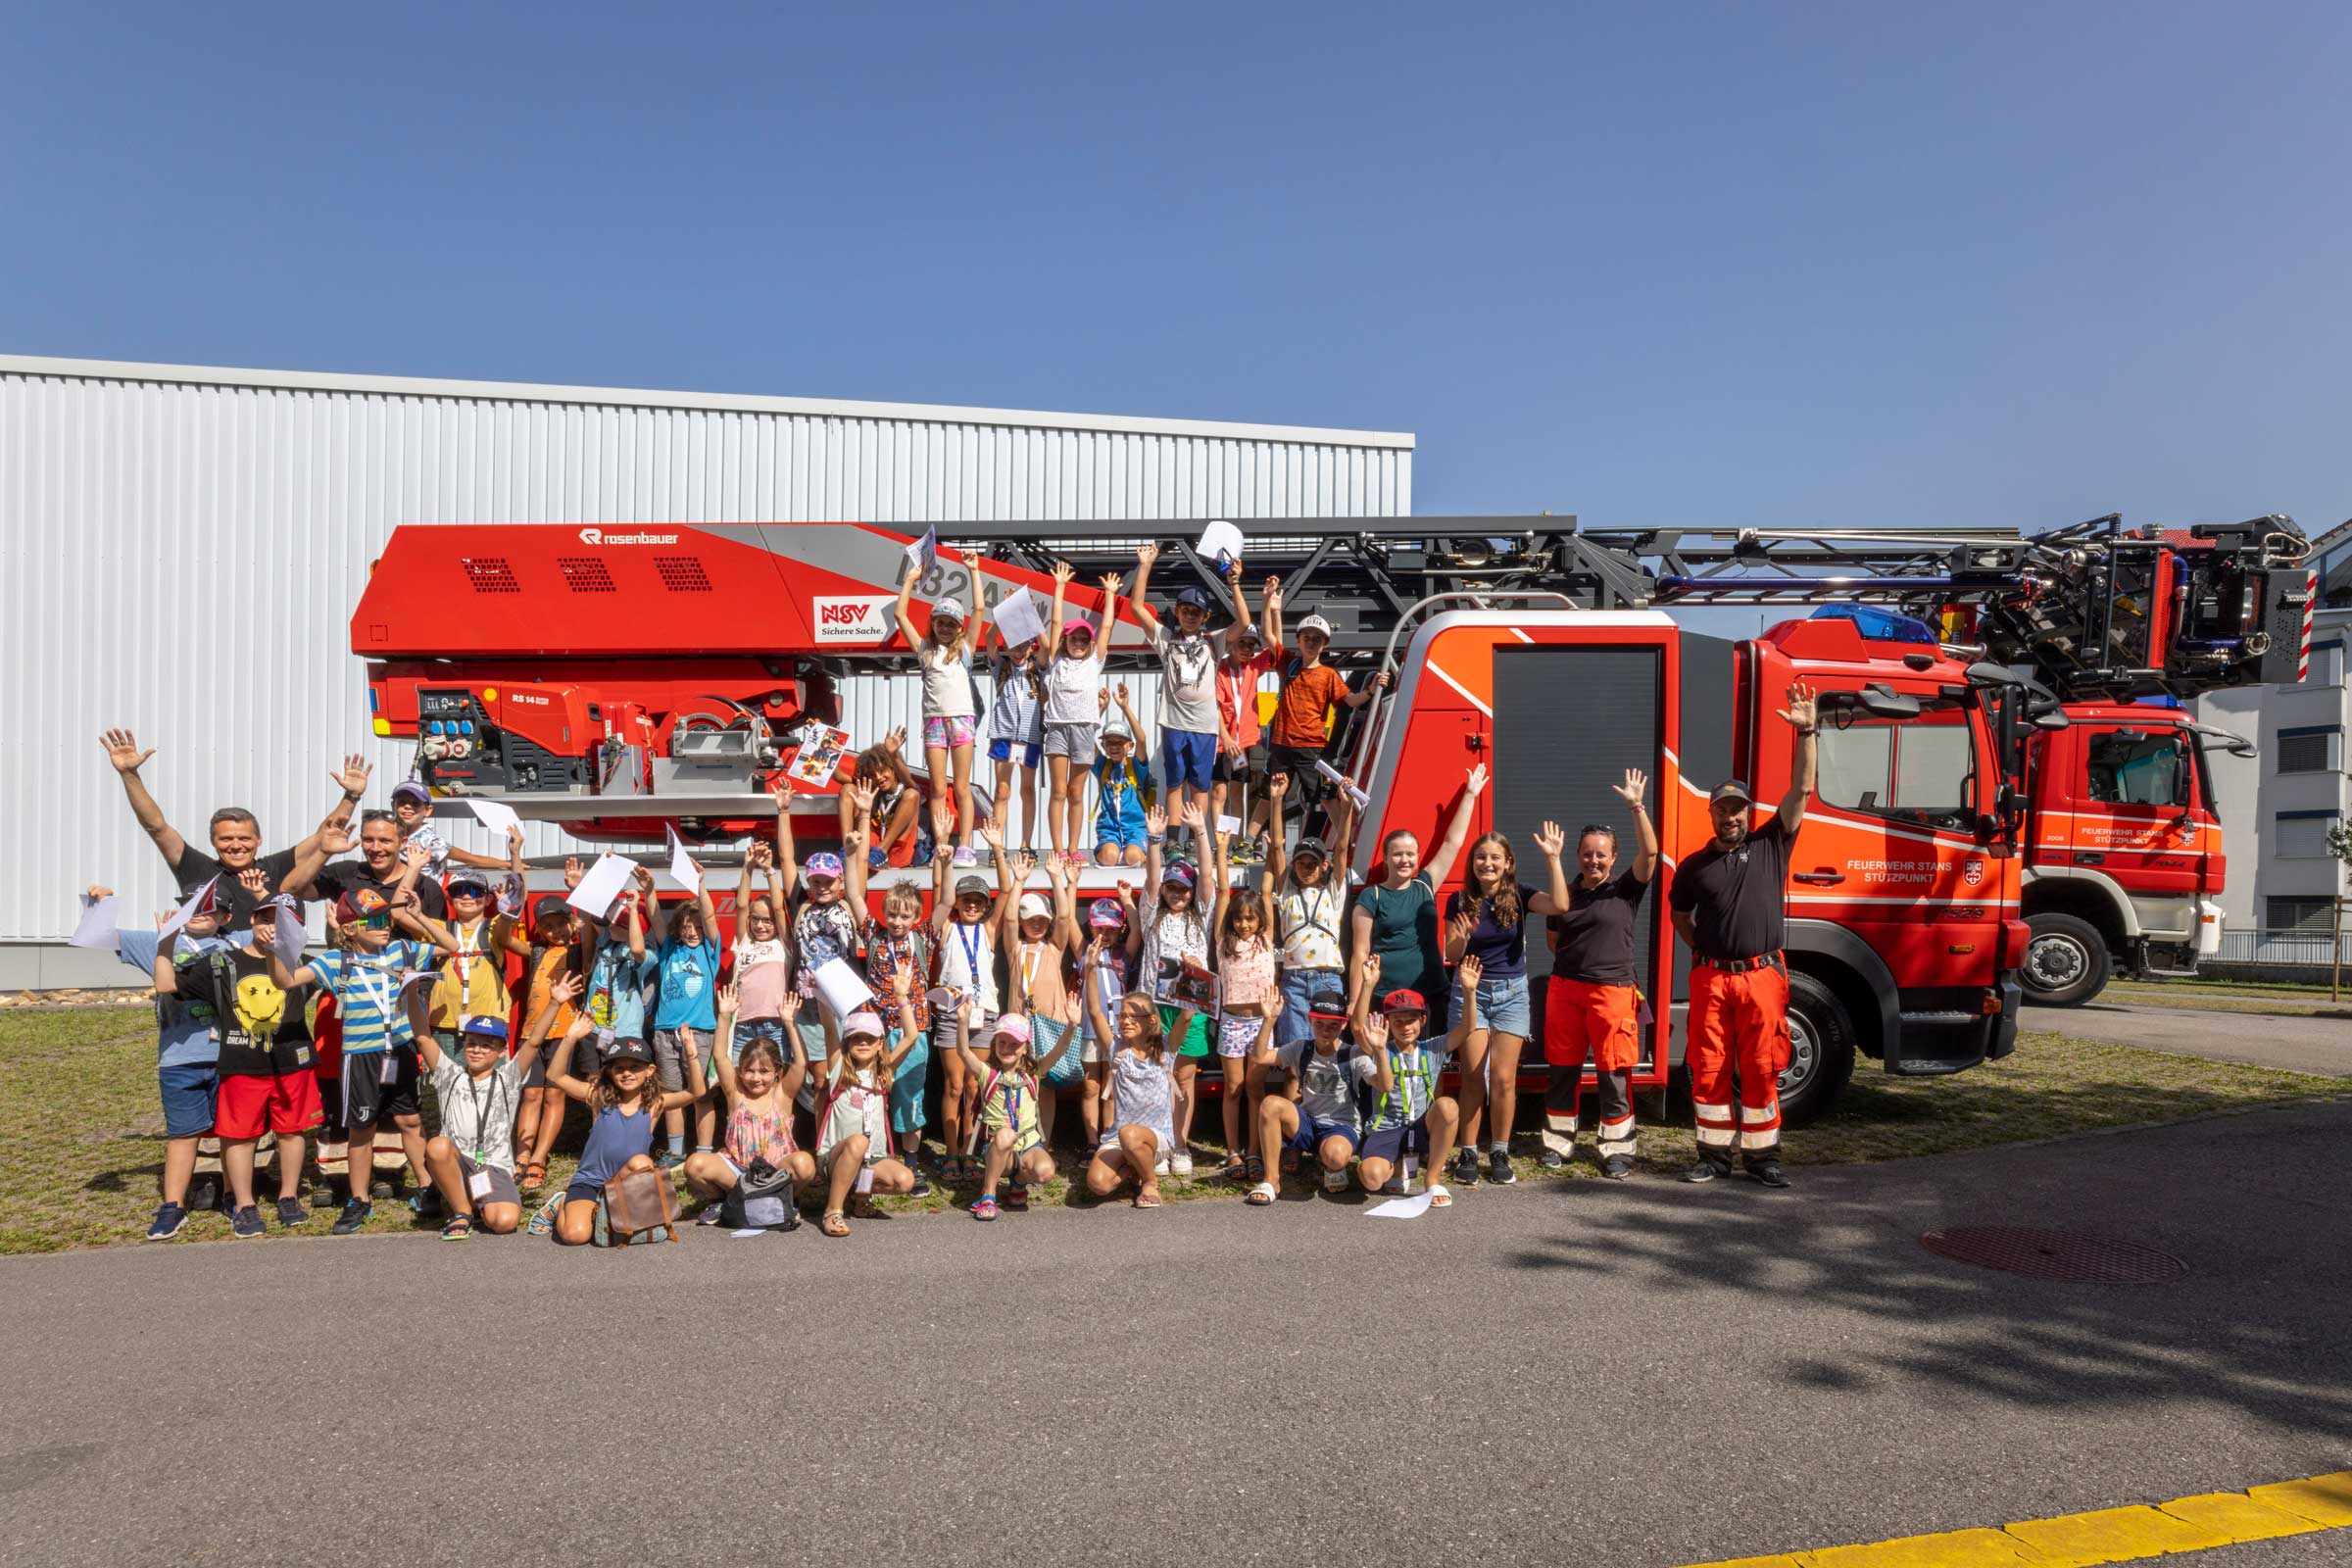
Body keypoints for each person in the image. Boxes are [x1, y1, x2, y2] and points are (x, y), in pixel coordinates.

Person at [1669, 684, 1818, 1188]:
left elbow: (1800, 790)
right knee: (1709, 1071)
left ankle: (1762, 1160)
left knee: (1761, 1066)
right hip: (1712, 980)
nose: (1730, 816)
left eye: (1737, 808)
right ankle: (1712, 1159)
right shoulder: (1693, 867)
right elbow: (1678, 913)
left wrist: (1807, 731)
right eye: (1721, 809)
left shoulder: (1772, 842)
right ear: (1709, 813)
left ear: (1748, 812)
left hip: (1761, 977)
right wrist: (1701, 949)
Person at [268, 858, 444, 1236]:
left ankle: (428, 1187)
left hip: (399, 1051)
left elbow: (449, 945)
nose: (385, 927)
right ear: (349, 928)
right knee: (361, 1127)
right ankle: (359, 1197)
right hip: (359, 1055)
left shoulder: (402, 952)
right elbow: (285, 981)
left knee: (411, 1121)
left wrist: (418, 916)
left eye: (386, 919)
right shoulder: (337, 962)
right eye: (375, 921)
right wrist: (274, 950)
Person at [150, 881, 321, 1237]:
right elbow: (167, 985)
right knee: (239, 1137)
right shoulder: (219, 963)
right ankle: (244, 1204)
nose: (272, 927)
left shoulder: (306, 966)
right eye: (264, 918)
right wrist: (166, 942)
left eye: (283, 921)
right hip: (242, 1066)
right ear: (252, 920)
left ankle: (288, 1196)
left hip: (291, 1063)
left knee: (292, 1132)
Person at [100, 728, 369, 931]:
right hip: (212, 970)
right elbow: (156, 827)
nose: (236, 845)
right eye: (226, 839)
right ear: (213, 842)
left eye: (244, 838)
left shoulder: (277, 867)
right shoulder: (197, 868)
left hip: (269, 973)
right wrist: (129, 775)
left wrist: (351, 797)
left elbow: (327, 834)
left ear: (258, 840)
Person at [1441, 818, 1572, 1189]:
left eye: (1495, 857)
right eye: (1480, 857)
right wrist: (1462, 937)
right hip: (1471, 992)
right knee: (1471, 1076)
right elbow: (1450, 953)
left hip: (1512, 993)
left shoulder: (1521, 895)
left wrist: (1554, 859)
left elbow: (1560, 904)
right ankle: (1468, 1151)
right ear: (1472, 864)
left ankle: (1499, 1150)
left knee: (1502, 1079)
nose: (1487, 864)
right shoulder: (1459, 900)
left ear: (1508, 863)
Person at [1542, 770, 1659, 1178]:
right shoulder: (1565, 893)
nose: (1594, 860)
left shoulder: (1626, 889)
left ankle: (1617, 1149)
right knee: (1563, 1069)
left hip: (1612, 993)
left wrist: (1636, 806)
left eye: (1601, 854)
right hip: (1566, 990)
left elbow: (1651, 853)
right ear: (1578, 856)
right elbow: (1553, 941)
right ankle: (1558, 1143)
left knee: (1613, 1073)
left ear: (1613, 858)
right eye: (1587, 853)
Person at [106, 880, 237, 1239]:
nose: (197, 914)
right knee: (183, 1134)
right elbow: (95, 935)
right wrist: (98, 903)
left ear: (226, 915)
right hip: (179, 1058)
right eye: (190, 906)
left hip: (231, 1055)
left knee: (232, 1133)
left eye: (208, 908)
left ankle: (234, 1195)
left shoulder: (236, 943)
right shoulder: (160, 941)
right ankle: (173, 1205)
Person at [845, 787, 940, 1194]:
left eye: (905, 915)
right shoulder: (876, 934)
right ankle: (881, 1161)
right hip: (879, 1031)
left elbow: (946, 900)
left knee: (910, 1095)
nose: (898, 921)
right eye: (893, 914)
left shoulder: (922, 939)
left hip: (913, 1028)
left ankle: (913, 1164)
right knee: (874, 1093)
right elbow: (853, 891)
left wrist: (946, 853)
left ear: (916, 916)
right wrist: (858, 834)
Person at [536, 1023, 702, 1246]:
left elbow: (696, 1092)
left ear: (649, 1070)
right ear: (610, 1072)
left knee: (642, 1162)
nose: (627, 1073)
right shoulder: (598, 1097)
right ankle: (561, 1204)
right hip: (590, 1182)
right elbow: (555, 1076)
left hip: (628, 1185)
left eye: (634, 1067)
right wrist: (570, 1037)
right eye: (619, 1068)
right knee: (574, 1236)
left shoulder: (654, 1104)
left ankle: (600, 1210)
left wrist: (691, 1054)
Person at [416, 986, 560, 1240]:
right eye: (471, 1044)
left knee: (504, 1222)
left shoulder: (509, 1078)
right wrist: (409, 996)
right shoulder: (450, 1075)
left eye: (486, 1046)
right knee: (437, 1145)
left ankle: (471, 1198)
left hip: (492, 1165)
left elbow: (535, 1041)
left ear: (501, 1051)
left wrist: (555, 1003)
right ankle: (462, 1211)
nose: (477, 1050)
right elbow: (423, 1038)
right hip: (457, 1161)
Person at [1349, 762, 1488, 1023]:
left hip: (1430, 994)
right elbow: (1360, 953)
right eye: (1398, 854)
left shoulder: (1425, 885)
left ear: (1418, 857)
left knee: (1430, 1061)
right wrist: (1355, 1001)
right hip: (1385, 998)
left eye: (1410, 854)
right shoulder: (1371, 896)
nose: (1404, 860)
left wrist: (1470, 794)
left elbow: (1452, 842)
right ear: (1386, 858)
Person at [1256, 593, 1388, 846]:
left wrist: (1371, 690)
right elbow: (1269, 637)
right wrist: (1271, 607)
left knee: (1325, 796)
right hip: (1282, 744)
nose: (1311, 642)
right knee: (1269, 795)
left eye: (1317, 639)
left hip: (1311, 747)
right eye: (1306, 638)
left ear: (1324, 644)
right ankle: (1247, 840)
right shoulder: (1289, 664)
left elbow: (1351, 701)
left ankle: (1345, 843)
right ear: (1299, 641)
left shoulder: (1329, 675)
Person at [683, 982, 817, 1225]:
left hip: (775, 1170)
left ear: (777, 1071)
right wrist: (724, 1016)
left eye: (764, 1071)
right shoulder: (736, 1093)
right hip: (737, 1170)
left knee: (805, 1164)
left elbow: (800, 1064)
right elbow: (720, 1056)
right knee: (694, 1165)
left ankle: (787, 1198)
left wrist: (789, 1022)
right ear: (740, 1071)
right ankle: (719, 1200)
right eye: (749, 1071)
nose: (756, 1078)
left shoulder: (782, 1094)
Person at [1141, 799, 1224, 1174]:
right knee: (1157, 1074)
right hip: (1156, 1006)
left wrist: (1200, 831)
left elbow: (1207, 878)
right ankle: (1159, 1142)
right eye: (1172, 888)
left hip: (1191, 1005)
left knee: (1185, 1076)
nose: (1177, 893)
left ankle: (1181, 1144)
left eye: (1183, 889)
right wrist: (1155, 839)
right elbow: (1152, 878)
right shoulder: (1150, 916)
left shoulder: (1199, 917)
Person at [930, 803, 1012, 1179]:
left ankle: (971, 1150)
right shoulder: (947, 928)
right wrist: (945, 852)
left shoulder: (989, 931)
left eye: (980, 901)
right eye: (968, 900)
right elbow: (942, 896)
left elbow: (1007, 890)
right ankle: (951, 1152)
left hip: (985, 1012)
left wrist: (996, 848)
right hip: (952, 1011)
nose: (974, 905)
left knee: (976, 1086)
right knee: (953, 1084)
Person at [1350, 952, 1468, 1206]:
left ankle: (1432, 1180)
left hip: (1421, 1126)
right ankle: (1396, 1164)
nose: (1405, 1027)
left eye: (1412, 1020)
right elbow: (1358, 1028)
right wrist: (1368, 985)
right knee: (1371, 1179)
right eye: (1398, 1020)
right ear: (1388, 1022)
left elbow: (1467, 1029)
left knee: (1448, 1106)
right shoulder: (1379, 1045)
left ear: (1423, 1020)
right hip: (1386, 1128)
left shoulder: (1433, 1047)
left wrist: (1469, 992)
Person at [1128, 542, 1223, 846]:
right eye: (1185, 610)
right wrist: (1145, 565)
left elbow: (1245, 624)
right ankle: (1171, 840)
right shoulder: (1166, 639)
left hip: (1205, 726)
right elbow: (1136, 607)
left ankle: (1196, 838)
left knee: (1200, 785)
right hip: (1173, 722)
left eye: (1197, 612)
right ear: (1177, 612)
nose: (1191, 616)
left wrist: (1233, 583)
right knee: (1174, 783)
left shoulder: (1212, 641)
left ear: (1206, 616)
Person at [1249, 982, 1373, 1205]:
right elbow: (1259, 1058)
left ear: (1343, 1025)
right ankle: (1272, 1180)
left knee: (1335, 1157)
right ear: (1310, 1021)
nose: (1326, 1030)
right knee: (1270, 1104)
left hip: (1340, 1127)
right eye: (1319, 1024)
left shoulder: (1353, 1054)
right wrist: (1269, 1020)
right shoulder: (1301, 1048)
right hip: (1307, 1123)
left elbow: (1381, 1083)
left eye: (1333, 1025)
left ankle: (1329, 1163)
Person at [897, 544, 982, 863]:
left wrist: (974, 571)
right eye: (940, 621)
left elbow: (979, 611)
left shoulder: (966, 650)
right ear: (932, 623)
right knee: (936, 788)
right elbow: (900, 615)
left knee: (961, 787)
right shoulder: (924, 651)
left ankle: (966, 846)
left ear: (959, 627)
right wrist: (910, 579)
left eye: (951, 622)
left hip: (961, 720)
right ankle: (941, 844)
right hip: (934, 722)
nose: (945, 627)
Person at [777, 779, 863, 1088]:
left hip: (843, 999)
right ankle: (821, 1136)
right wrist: (784, 811)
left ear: (839, 881)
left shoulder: (851, 905)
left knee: (849, 1073)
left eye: (828, 881)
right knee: (819, 1078)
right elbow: (787, 860)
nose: (822, 886)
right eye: (816, 881)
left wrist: (863, 815)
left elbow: (859, 859)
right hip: (809, 1001)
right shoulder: (802, 905)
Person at [813, 1000, 921, 1236]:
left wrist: (903, 998)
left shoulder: (883, 1074)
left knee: (905, 1180)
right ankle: (833, 1211)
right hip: (834, 1157)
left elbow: (911, 1036)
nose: (863, 1042)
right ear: (846, 1042)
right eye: (856, 1038)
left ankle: (860, 1198)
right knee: (858, 1142)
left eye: (870, 1038)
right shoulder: (839, 1069)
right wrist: (821, 994)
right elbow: (830, 1027)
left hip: (871, 1159)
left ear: (880, 1042)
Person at [955, 1008, 1073, 1220]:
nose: (1007, 1048)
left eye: (1014, 1044)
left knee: (1046, 1171)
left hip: (1028, 1144)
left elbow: (1060, 1049)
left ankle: (1018, 1180)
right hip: (997, 1147)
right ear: (994, 1044)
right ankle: (988, 1195)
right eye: (1002, 1042)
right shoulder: (987, 1073)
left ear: (1026, 1047)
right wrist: (963, 1021)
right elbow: (963, 1051)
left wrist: (1072, 1024)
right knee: (1005, 1135)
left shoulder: (1034, 1073)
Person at [1209, 828, 1280, 1181]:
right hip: (1233, 1022)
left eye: (1250, 918)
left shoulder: (1266, 940)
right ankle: (1234, 1151)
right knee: (1234, 1088)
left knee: (1255, 1088)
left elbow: (1266, 890)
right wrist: (1222, 849)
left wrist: (1270, 853)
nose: (1245, 924)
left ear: (1261, 921)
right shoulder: (1224, 941)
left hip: (1262, 1024)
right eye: (1240, 918)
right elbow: (1223, 892)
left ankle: (1255, 1151)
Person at [1042, 564, 1122, 865]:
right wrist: (1059, 586)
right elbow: (1056, 621)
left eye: (1083, 639)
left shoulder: (1094, 661)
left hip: (1085, 730)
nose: (1078, 642)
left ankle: (1074, 849)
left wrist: (1110, 595)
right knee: (1058, 791)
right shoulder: (1055, 659)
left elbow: (1107, 627)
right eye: (1073, 638)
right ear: (1065, 641)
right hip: (1058, 729)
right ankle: (1059, 848)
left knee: (1076, 793)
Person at [1003, 851, 1084, 1146]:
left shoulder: (1054, 948)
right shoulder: (1016, 950)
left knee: (1046, 1087)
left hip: (1050, 1025)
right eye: (1030, 919)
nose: (1036, 924)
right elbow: (1009, 918)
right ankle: (1017, 1139)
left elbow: (1065, 916)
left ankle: (1044, 1142)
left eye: (1041, 920)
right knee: (1018, 1083)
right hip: (1020, 1027)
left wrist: (1055, 877)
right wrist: (1018, 881)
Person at [1265, 774, 1348, 1057]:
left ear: (1323, 866)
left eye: (1313, 863)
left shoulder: (1333, 892)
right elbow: (1276, 847)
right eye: (1301, 862)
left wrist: (1345, 809)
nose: (1307, 868)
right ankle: (1295, 1103)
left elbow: (1342, 850)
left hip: (1328, 978)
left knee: (1330, 1056)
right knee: (1295, 1056)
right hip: (1295, 980)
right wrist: (1276, 800)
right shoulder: (1286, 891)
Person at [647, 859, 721, 1167]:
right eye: (687, 927)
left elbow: (711, 916)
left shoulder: (709, 951)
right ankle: (676, 1153)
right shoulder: (669, 950)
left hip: (700, 1031)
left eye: (699, 927)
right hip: (666, 1029)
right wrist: (650, 892)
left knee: (702, 1094)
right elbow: (655, 921)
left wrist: (700, 884)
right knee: (670, 1092)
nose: (693, 932)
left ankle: (703, 1151)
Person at [515, 880, 589, 1191]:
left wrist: (579, 891)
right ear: (540, 931)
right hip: (532, 1033)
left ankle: (539, 1159)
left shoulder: (578, 950)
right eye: (548, 926)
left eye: (562, 923)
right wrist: (511, 895)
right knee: (530, 1095)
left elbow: (589, 939)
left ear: (572, 924)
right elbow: (505, 936)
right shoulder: (535, 952)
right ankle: (521, 1155)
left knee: (554, 1095)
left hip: (564, 1031)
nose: (557, 930)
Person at [1209, 562, 1282, 864]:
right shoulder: (1218, 666)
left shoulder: (1254, 666)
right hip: (1219, 741)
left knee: (1238, 791)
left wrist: (1271, 604)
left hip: (1244, 741)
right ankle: (1219, 842)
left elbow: (1276, 645)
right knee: (1218, 793)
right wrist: (1226, 738)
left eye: (1252, 645)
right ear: (1232, 644)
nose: (1249, 649)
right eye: (1243, 643)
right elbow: (1212, 706)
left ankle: (1237, 842)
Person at [1081, 979, 1175, 1207]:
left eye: (1133, 1016)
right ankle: (1133, 1171)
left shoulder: (1166, 1047)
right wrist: (1090, 969)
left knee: (1130, 1134)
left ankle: (1150, 1182)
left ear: (1151, 1020)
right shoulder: (1116, 1048)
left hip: (1156, 1137)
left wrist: (1189, 974)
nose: (1125, 1021)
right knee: (1098, 1184)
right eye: (1122, 1015)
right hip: (1120, 1137)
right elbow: (1094, 1011)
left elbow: (1188, 1016)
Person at [298, 808, 450, 923]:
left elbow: (439, 941)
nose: (376, 848)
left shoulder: (425, 887)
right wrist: (323, 853)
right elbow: (297, 889)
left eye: (385, 841)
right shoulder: (347, 873)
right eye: (368, 840)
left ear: (403, 843)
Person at [1075, 889, 1142, 1152]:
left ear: (1120, 928)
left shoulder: (1123, 954)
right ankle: (1092, 1142)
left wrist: (1127, 899)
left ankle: (1109, 1138)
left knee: (1112, 1087)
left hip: (1119, 1031)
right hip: (1091, 1030)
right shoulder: (1083, 951)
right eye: (1100, 928)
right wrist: (1069, 883)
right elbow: (1067, 919)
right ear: (1091, 927)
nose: (1106, 934)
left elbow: (1136, 932)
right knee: (1091, 1086)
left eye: (1112, 928)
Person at [985, 615, 1046, 852]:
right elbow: (989, 638)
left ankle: (1026, 844)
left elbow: (1047, 646)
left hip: (1028, 736)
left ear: (1031, 647)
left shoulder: (1038, 669)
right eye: (1013, 646)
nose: (1019, 651)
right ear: (1006, 647)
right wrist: (1005, 612)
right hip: (1003, 734)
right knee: (1002, 788)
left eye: (1024, 646)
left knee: (1027, 789)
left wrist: (1028, 612)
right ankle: (996, 845)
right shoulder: (1000, 668)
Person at [731, 840, 795, 1065]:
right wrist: (747, 867)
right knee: (740, 1077)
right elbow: (740, 906)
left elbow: (779, 907)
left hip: (775, 1024)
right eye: (755, 919)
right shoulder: (744, 942)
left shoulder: (783, 945)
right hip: (742, 1025)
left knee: (776, 1077)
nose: (760, 925)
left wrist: (768, 871)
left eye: (767, 921)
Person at [387, 777, 513, 879]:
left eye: (416, 804)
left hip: (423, 899)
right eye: (402, 802)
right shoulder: (387, 834)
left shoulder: (432, 842)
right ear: (394, 805)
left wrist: (508, 864)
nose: (408, 807)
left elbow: (471, 859)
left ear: (428, 810)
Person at [837, 728, 927, 868]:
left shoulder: (905, 788)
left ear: (893, 769)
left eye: (882, 771)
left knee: (912, 794)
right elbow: (840, 777)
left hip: (897, 853)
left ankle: (881, 850)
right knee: (848, 789)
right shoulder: (873, 790)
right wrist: (824, 749)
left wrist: (893, 755)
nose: (878, 777)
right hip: (868, 851)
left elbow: (909, 782)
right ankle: (848, 849)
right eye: (873, 775)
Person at [1088, 684, 1153, 867]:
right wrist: (1101, 708)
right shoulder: (1103, 767)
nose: (1114, 746)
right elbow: (1086, 737)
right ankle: (1112, 853)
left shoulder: (1136, 767)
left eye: (1120, 742)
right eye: (1109, 742)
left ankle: (1138, 853)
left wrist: (1125, 707)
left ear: (1129, 746)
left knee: (1133, 857)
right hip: (1110, 830)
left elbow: (1141, 739)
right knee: (1109, 857)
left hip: (1136, 829)